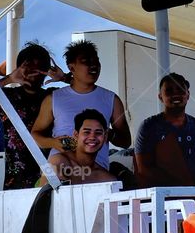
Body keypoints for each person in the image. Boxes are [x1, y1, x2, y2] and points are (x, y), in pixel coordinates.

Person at [31, 40, 130, 170]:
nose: (93, 65)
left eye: (96, 61)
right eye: (86, 61)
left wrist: (106, 133)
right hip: (60, 171)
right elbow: (35, 134)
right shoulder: (54, 98)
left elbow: (126, 142)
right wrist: (54, 143)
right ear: (72, 68)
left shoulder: (111, 99)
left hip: (97, 174)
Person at [0, 42, 57, 190]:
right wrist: (9, 79)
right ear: (19, 68)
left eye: (40, 68)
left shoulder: (54, 96)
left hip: (50, 174)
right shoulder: (8, 96)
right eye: (29, 68)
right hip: (15, 179)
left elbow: (81, 94)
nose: (34, 73)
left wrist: (65, 78)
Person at [134, 73, 195, 188]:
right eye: (169, 91)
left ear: (188, 95)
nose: (176, 94)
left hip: (194, 195)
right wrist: (177, 187)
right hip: (160, 194)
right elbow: (143, 169)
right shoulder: (148, 126)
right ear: (160, 97)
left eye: (180, 90)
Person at [40, 109, 116, 185]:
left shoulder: (107, 179)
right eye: (86, 132)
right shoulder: (58, 161)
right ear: (76, 135)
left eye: (98, 133)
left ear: (105, 137)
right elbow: (44, 193)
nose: (92, 137)